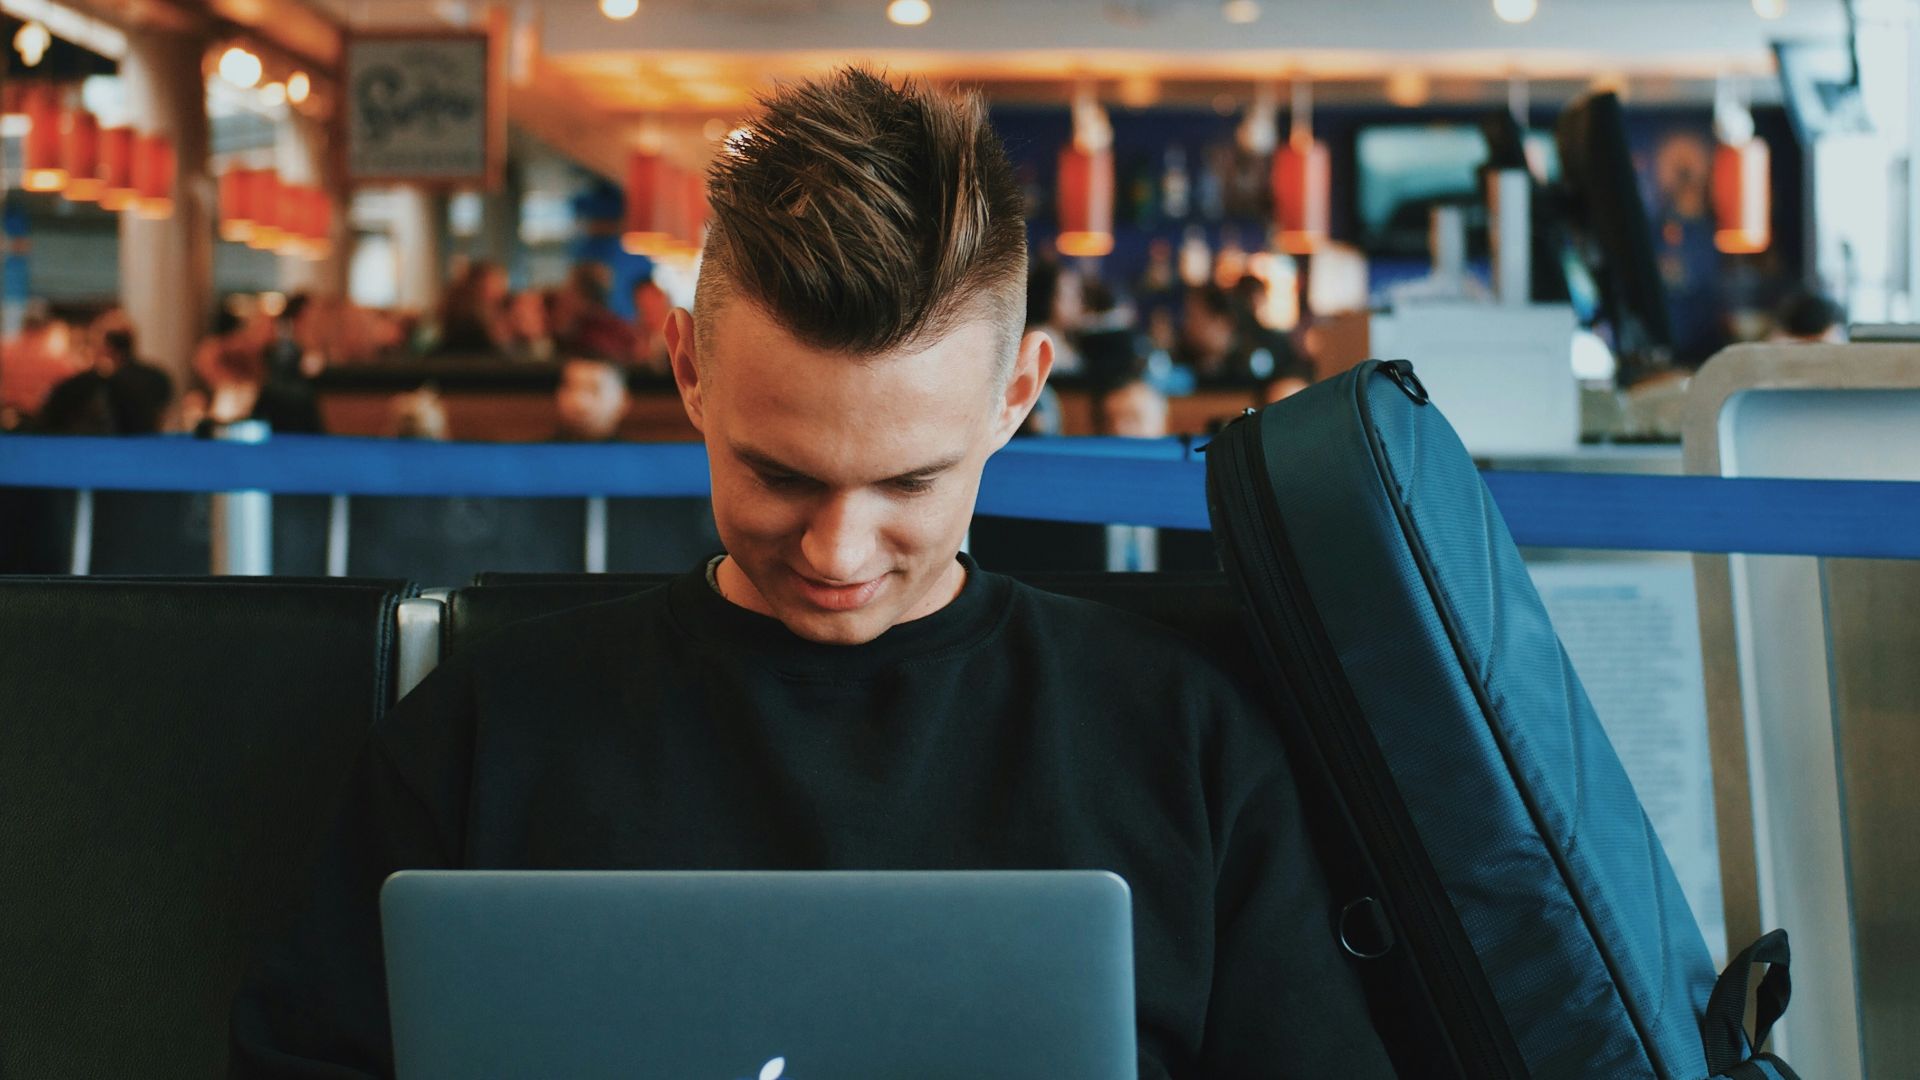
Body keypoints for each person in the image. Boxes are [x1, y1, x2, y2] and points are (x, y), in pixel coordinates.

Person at [228, 67, 1393, 1080]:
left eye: (907, 486)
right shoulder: (489, 730)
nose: (838, 552)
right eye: (780, 475)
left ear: (1017, 396)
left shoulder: (1185, 741)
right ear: (688, 371)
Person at [550, 356, 630, 442]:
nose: (579, 402)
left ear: (623, 401)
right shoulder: (539, 453)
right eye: (570, 387)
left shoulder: (636, 453)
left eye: (594, 390)